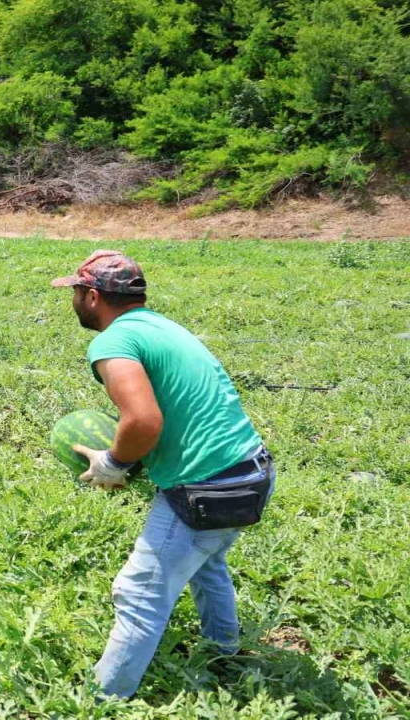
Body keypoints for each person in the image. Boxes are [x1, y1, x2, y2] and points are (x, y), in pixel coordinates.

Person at [51, 250, 276, 699]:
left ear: (93, 296)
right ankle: (223, 650)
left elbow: (143, 421)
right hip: (252, 473)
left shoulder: (112, 342)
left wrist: (113, 463)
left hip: (206, 489)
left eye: (75, 292)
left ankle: (102, 699)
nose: (73, 299)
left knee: (139, 594)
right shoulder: (162, 326)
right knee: (207, 563)